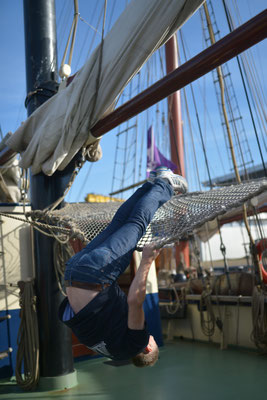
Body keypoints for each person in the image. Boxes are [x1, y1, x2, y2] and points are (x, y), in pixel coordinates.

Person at [59, 166, 188, 367]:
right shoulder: (113, 350)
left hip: (96, 275)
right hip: (73, 272)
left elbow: (135, 301)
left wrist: (147, 261)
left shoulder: (136, 343)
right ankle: (150, 185)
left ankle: (165, 183)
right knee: (119, 222)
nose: (150, 337)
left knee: (137, 224)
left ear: (147, 348)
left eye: (152, 340)